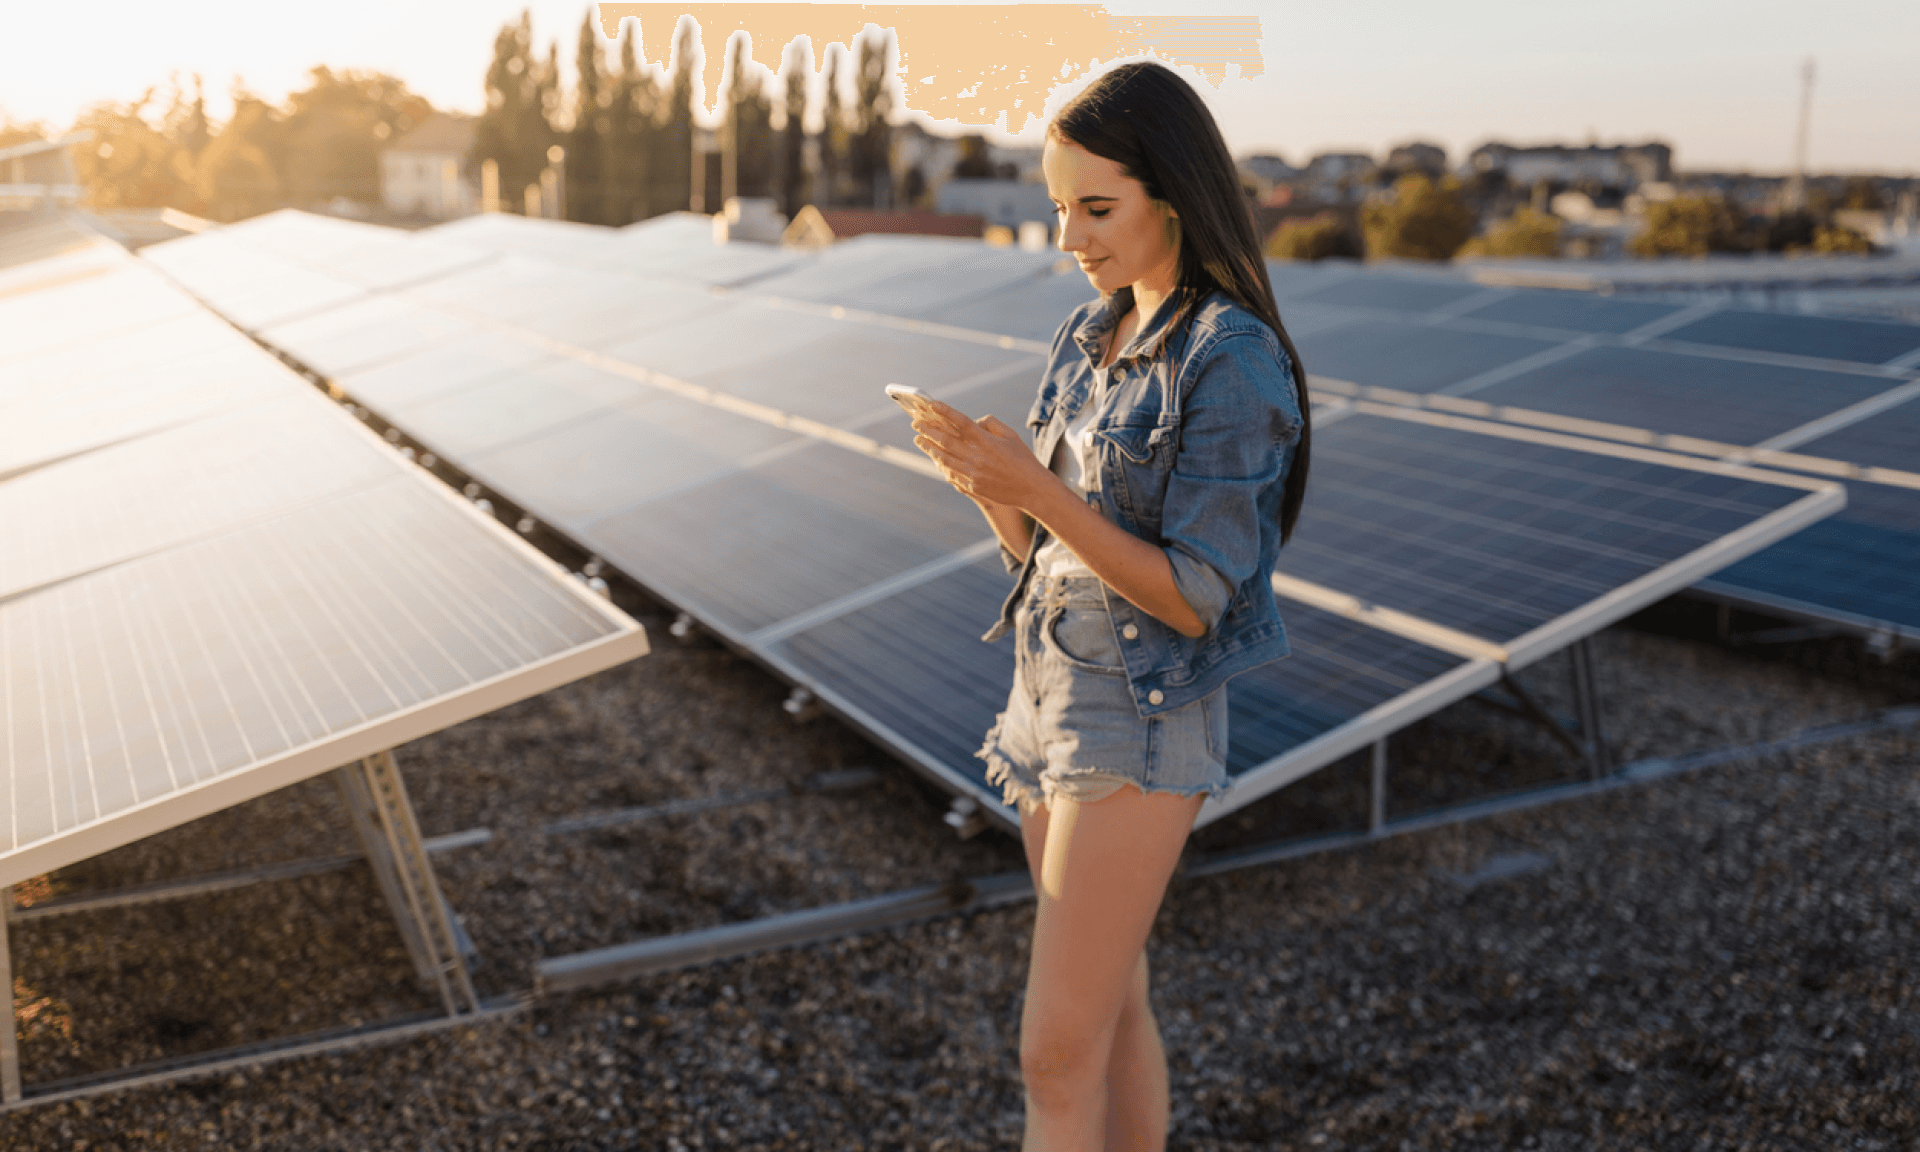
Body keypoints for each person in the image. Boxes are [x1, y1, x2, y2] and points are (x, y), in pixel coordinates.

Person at [907, 60, 1312, 1152]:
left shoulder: (1233, 360)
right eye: (1058, 209)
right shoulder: (1090, 340)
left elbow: (1192, 599)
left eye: (1097, 208)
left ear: (1172, 199)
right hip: (1044, 689)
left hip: (1137, 712)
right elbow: (1048, 551)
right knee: (1111, 1006)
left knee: (1053, 1052)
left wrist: (1035, 489)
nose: (1070, 238)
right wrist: (996, 491)